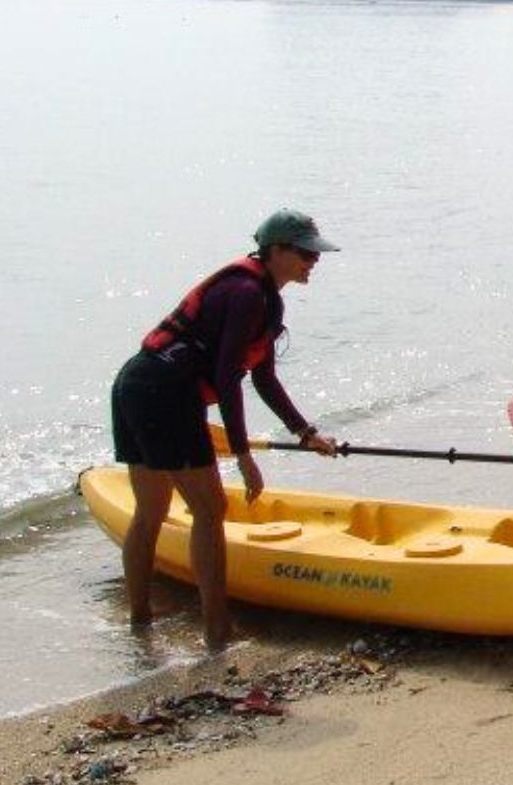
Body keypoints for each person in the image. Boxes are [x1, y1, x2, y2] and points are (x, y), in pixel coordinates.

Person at [110, 210, 340, 649]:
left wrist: (305, 432)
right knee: (210, 510)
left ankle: (140, 624)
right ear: (275, 251)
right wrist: (243, 456)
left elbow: (263, 378)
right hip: (165, 395)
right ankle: (217, 632)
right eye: (306, 252)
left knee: (152, 510)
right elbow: (227, 374)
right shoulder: (247, 294)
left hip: (135, 384)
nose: (315, 260)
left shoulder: (263, 296)